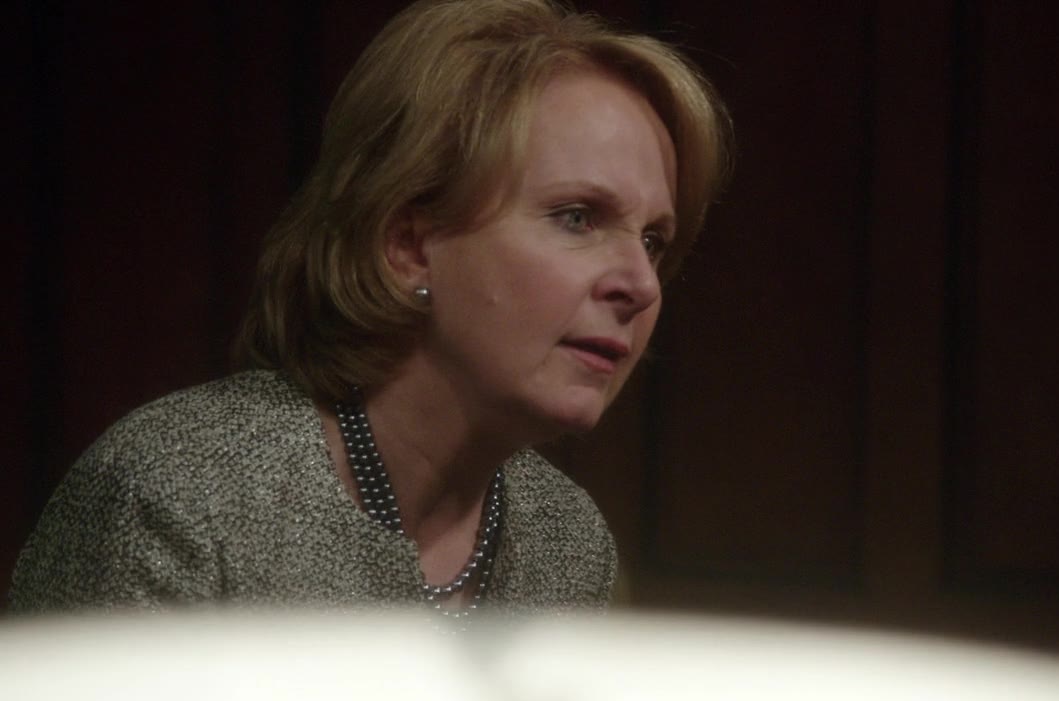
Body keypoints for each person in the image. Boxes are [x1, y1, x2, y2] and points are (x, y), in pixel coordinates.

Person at [9, 0, 730, 616]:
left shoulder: (569, 543)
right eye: (576, 217)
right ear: (407, 244)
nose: (641, 284)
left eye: (654, 241)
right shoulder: (183, 496)